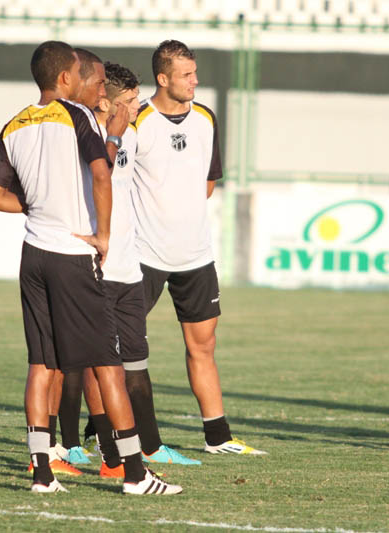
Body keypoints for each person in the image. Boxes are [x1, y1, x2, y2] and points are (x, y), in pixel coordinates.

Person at [0, 40, 181, 495]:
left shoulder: (15, 124)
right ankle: (133, 473)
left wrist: (40, 208)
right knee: (108, 364)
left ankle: (41, 471)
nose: (92, 83)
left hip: (33, 254)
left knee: (42, 364)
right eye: (83, 74)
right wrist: (104, 235)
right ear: (65, 78)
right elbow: (101, 171)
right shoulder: (79, 117)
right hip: (74, 254)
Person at [132, 40, 265, 455]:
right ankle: (101, 432)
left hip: (196, 255)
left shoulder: (206, 118)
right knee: (119, 347)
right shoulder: (136, 118)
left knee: (203, 345)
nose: (195, 80)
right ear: (163, 78)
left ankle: (217, 436)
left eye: (195, 73)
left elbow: (208, 182)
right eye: (187, 75)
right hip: (141, 254)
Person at [78, 59, 202, 473]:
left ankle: (146, 447)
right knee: (93, 364)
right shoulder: (89, 137)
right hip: (98, 269)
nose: (137, 107)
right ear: (108, 102)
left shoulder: (131, 133)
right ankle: (98, 447)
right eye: (129, 101)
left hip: (131, 269)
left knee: (134, 362)